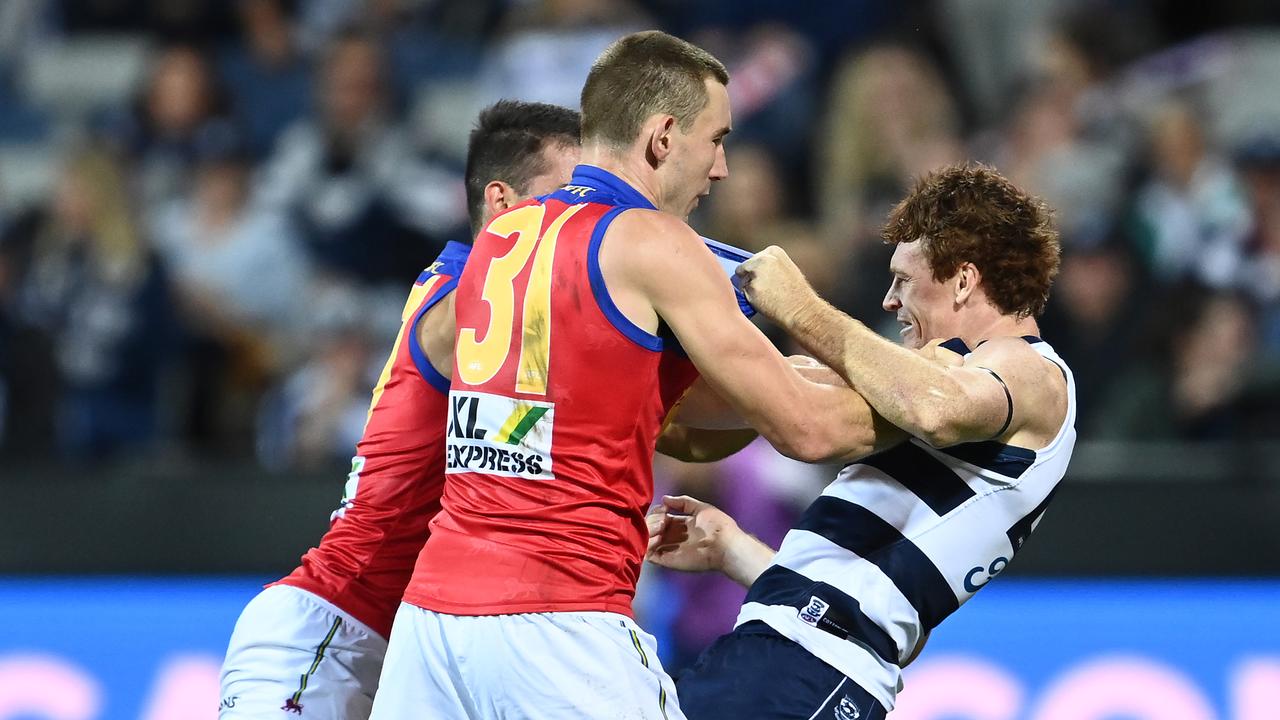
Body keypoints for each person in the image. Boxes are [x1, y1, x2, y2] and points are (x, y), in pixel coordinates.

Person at [371, 30, 879, 720]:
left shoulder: (503, 237)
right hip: (560, 623)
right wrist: (926, 405)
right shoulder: (656, 243)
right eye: (716, 138)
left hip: (430, 626)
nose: (722, 168)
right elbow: (808, 430)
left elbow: (634, 408)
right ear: (664, 137)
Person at [650, 163, 1076, 720]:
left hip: (802, 677)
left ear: (966, 280)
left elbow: (931, 407)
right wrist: (734, 549)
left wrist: (798, 306)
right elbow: (887, 619)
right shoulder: (939, 386)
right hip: (787, 663)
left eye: (903, 278)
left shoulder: (1032, 373)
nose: (889, 301)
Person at [218, 100, 583, 720]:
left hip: (411, 652)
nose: (589, 221)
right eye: (569, 199)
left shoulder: (495, 304)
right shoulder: (466, 301)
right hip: (334, 628)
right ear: (503, 204)